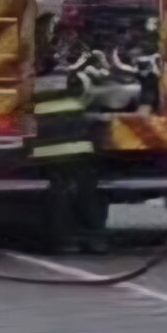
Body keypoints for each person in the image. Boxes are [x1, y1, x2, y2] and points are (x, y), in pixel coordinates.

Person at [30, 61, 108, 254]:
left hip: (46, 150)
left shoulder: (32, 82)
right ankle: (93, 237)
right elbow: (96, 96)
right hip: (76, 147)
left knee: (58, 193)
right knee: (87, 192)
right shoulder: (78, 77)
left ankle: (63, 240)